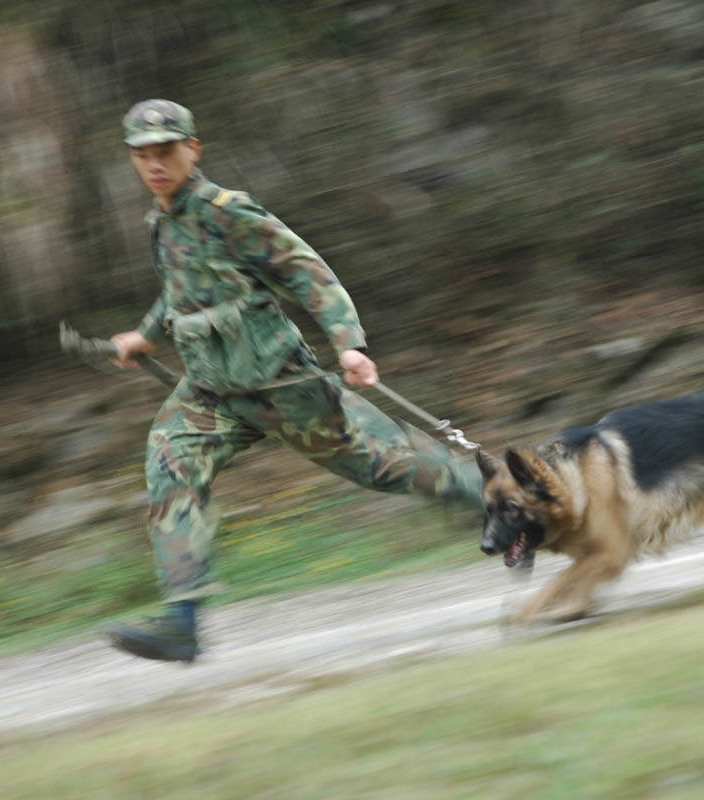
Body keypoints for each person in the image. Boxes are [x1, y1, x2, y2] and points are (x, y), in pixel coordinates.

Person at [104, 99, 485, 663]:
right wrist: (144, 334)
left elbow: (306, 270)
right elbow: (185, 290)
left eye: (166, 152)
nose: (155, 164)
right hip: (212, 390)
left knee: (380, 463)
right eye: (143, 155)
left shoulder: (227, 212)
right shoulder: (163, 219)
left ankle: (501, 499)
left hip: (277, 385)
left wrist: (348, 343)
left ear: (193, 150)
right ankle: (181, 621)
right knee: (170, 469)